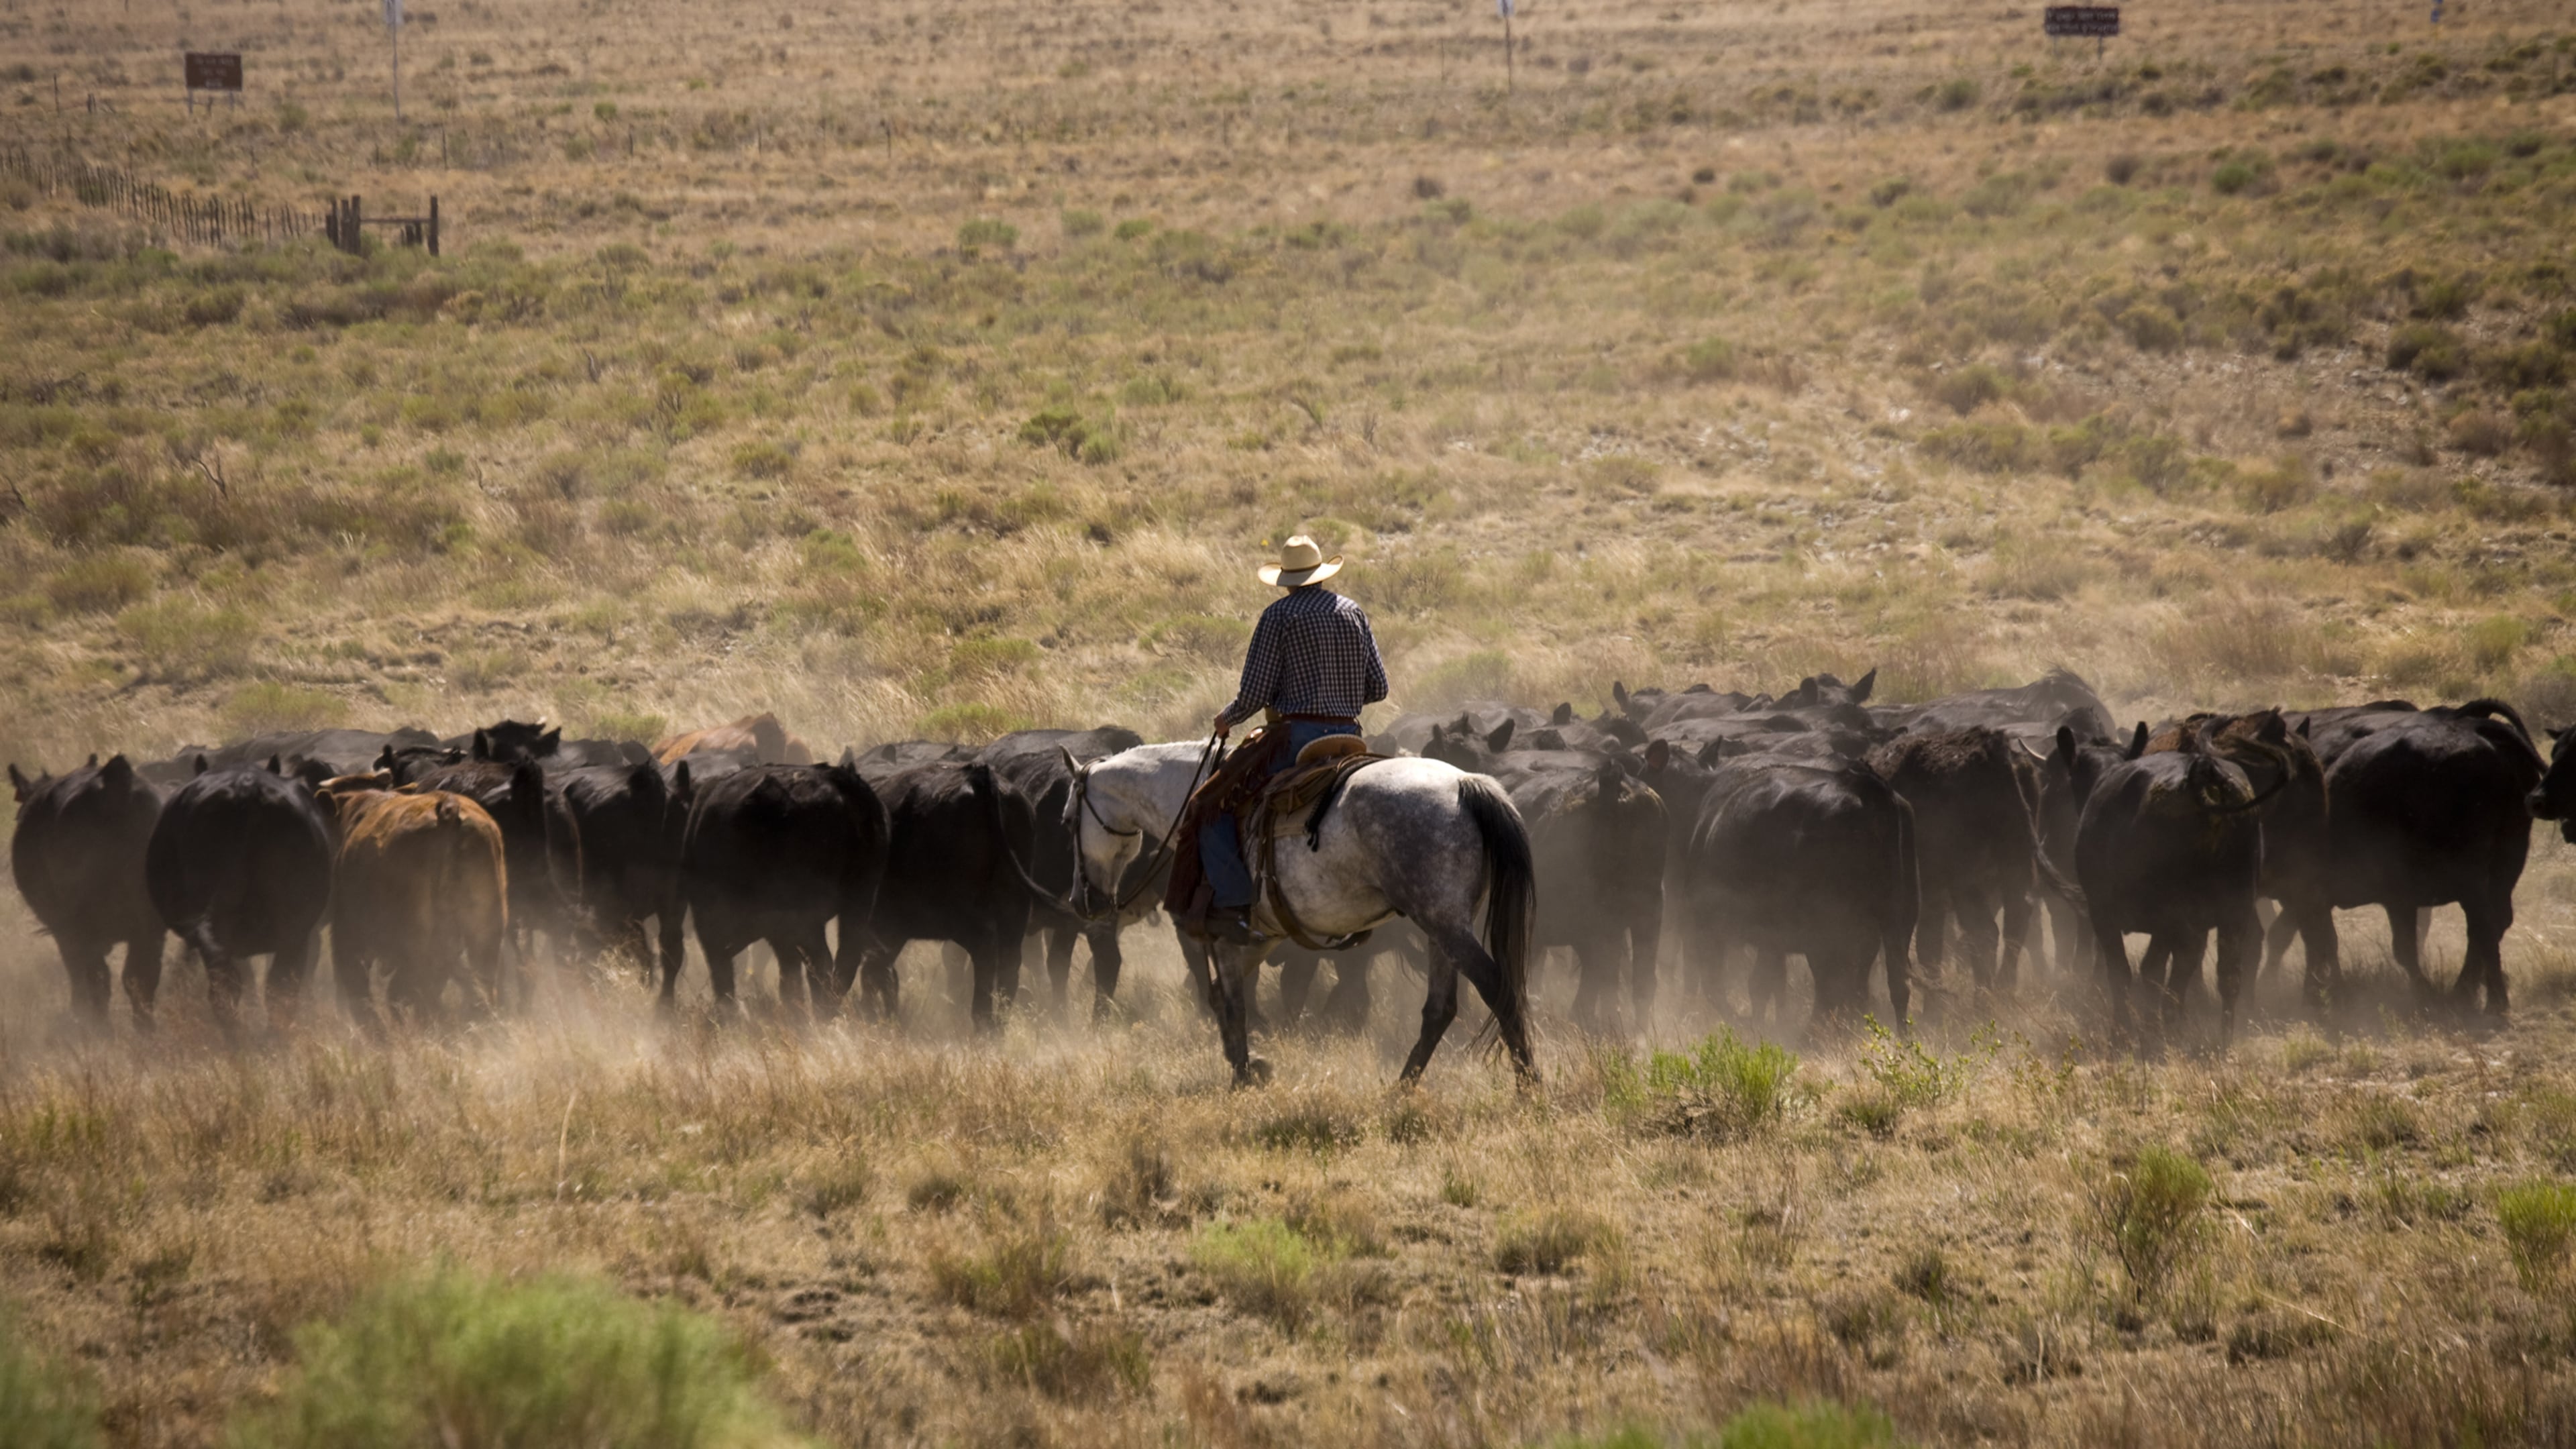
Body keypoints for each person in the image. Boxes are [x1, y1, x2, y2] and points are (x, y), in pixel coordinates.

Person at [1172, 535, 1389, 945]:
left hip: (1296, 738)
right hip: (1350, 738)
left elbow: (1254, 693)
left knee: (1210, 804)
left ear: (1286, 580)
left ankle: (1235, 906)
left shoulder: (1278, 616)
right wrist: (1338, 697)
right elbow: (1378, 688)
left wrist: (1227, 718)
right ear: (1322, 574)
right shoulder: (1353, 612)